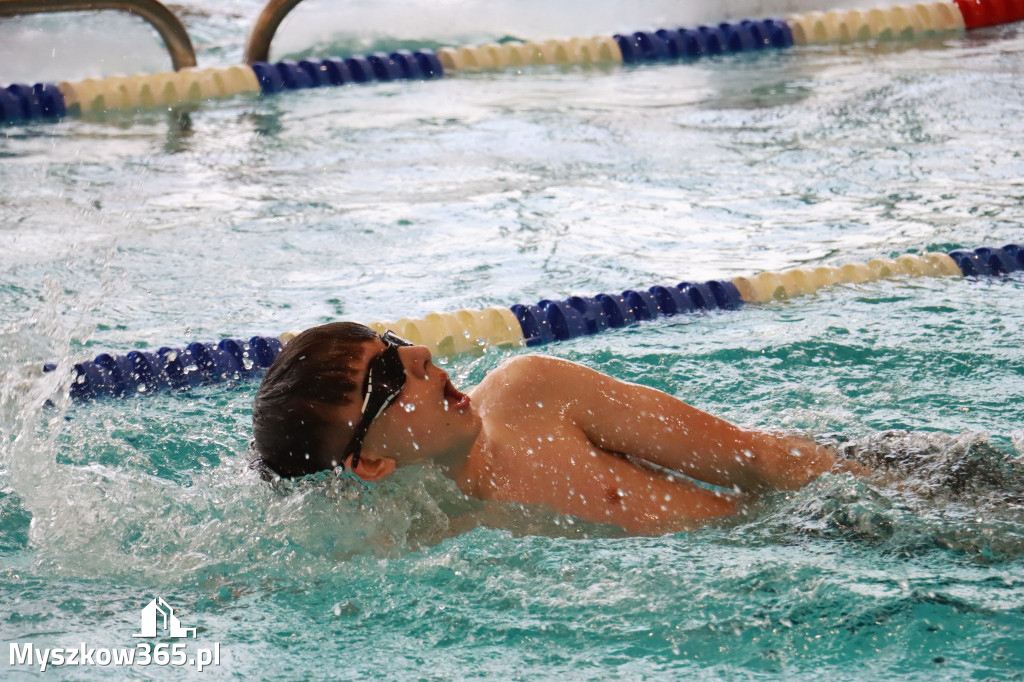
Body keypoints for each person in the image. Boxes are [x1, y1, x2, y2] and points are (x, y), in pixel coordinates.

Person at [252, 321, 859, 533]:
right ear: (371, 465)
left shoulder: (533, 395)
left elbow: (755, 460)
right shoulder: (421, 536)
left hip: (829, 512)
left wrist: (890, 507)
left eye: (390, 343)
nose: (417, 356)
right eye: (386, 377)